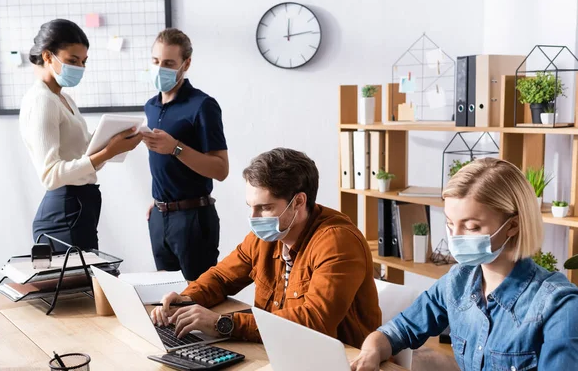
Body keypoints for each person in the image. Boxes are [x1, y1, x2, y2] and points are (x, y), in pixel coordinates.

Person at [351, 158, 578, 371]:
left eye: (471, 227)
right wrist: (372, 349)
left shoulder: (559, 306)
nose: (455, 238)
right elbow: (398, 330)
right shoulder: (458, 281)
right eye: (450, 224)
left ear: (513, 226)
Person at [150, 148, 380, 349]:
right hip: (279, 347)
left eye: (265, 207)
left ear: (299, 202)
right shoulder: (265, 237)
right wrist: (187, 299)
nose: (253, 218)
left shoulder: (337, 242)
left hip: (335, 358)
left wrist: (222, 324)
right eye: (250, 207)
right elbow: (221, 278)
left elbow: (316, 320)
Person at [20, 19, 142, 251]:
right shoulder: (42, 101)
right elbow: (50, 175)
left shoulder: (63, 98)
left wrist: (111, 144)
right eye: (72, 61)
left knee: (87, 282)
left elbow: (82, 158)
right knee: (81, 285)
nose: (80, 68)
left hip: (79, 206)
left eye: (84, 62)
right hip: (64, 212)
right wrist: (108, 151)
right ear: (47, 57)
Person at [141, 28, 228, 281]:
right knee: (165, 297)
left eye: (169, 63)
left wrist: (175, 147)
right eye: (156, 62)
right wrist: (161, 201)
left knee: (196, 299)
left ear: (186, 64)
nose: (160, 69)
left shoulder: (202, 105)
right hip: (159, 216)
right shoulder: (151, 105)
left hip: (193, 219)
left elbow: (221, 169)